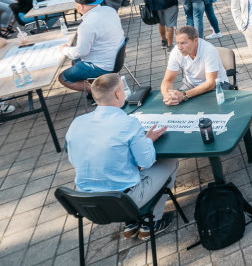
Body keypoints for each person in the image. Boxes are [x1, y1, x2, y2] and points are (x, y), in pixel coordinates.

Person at [65, 73, 177, 240]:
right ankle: (150, 222)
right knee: (170, 162)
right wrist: (147, 141)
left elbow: (75, 159)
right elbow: (146, 162)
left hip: (88, 204)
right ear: (118, 94)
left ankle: (131, 223)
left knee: (120, 167)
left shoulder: (76, 123)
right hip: (122, 201)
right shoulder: (128, 123)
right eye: (123, 89)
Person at [58, 0, 125, 97]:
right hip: (117, 57)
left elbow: (81, 52)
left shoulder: (87, 25)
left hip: (102, 66)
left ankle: (102, 94)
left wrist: (64, 49)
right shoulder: (109, 10)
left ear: (80, 6)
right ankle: (98, 86)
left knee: (63, 77)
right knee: (76, 62)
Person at [161, 26, 230, 105]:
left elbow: (211, 83)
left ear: (195, 40)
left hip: (217, 85)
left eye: (183, 43)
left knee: (213, 108)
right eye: (177, 43)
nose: (179, 47)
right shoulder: (176, 51)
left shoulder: (209, 50)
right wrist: (167, 97)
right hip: (191, 84)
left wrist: (184, 95)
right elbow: (167, 81)